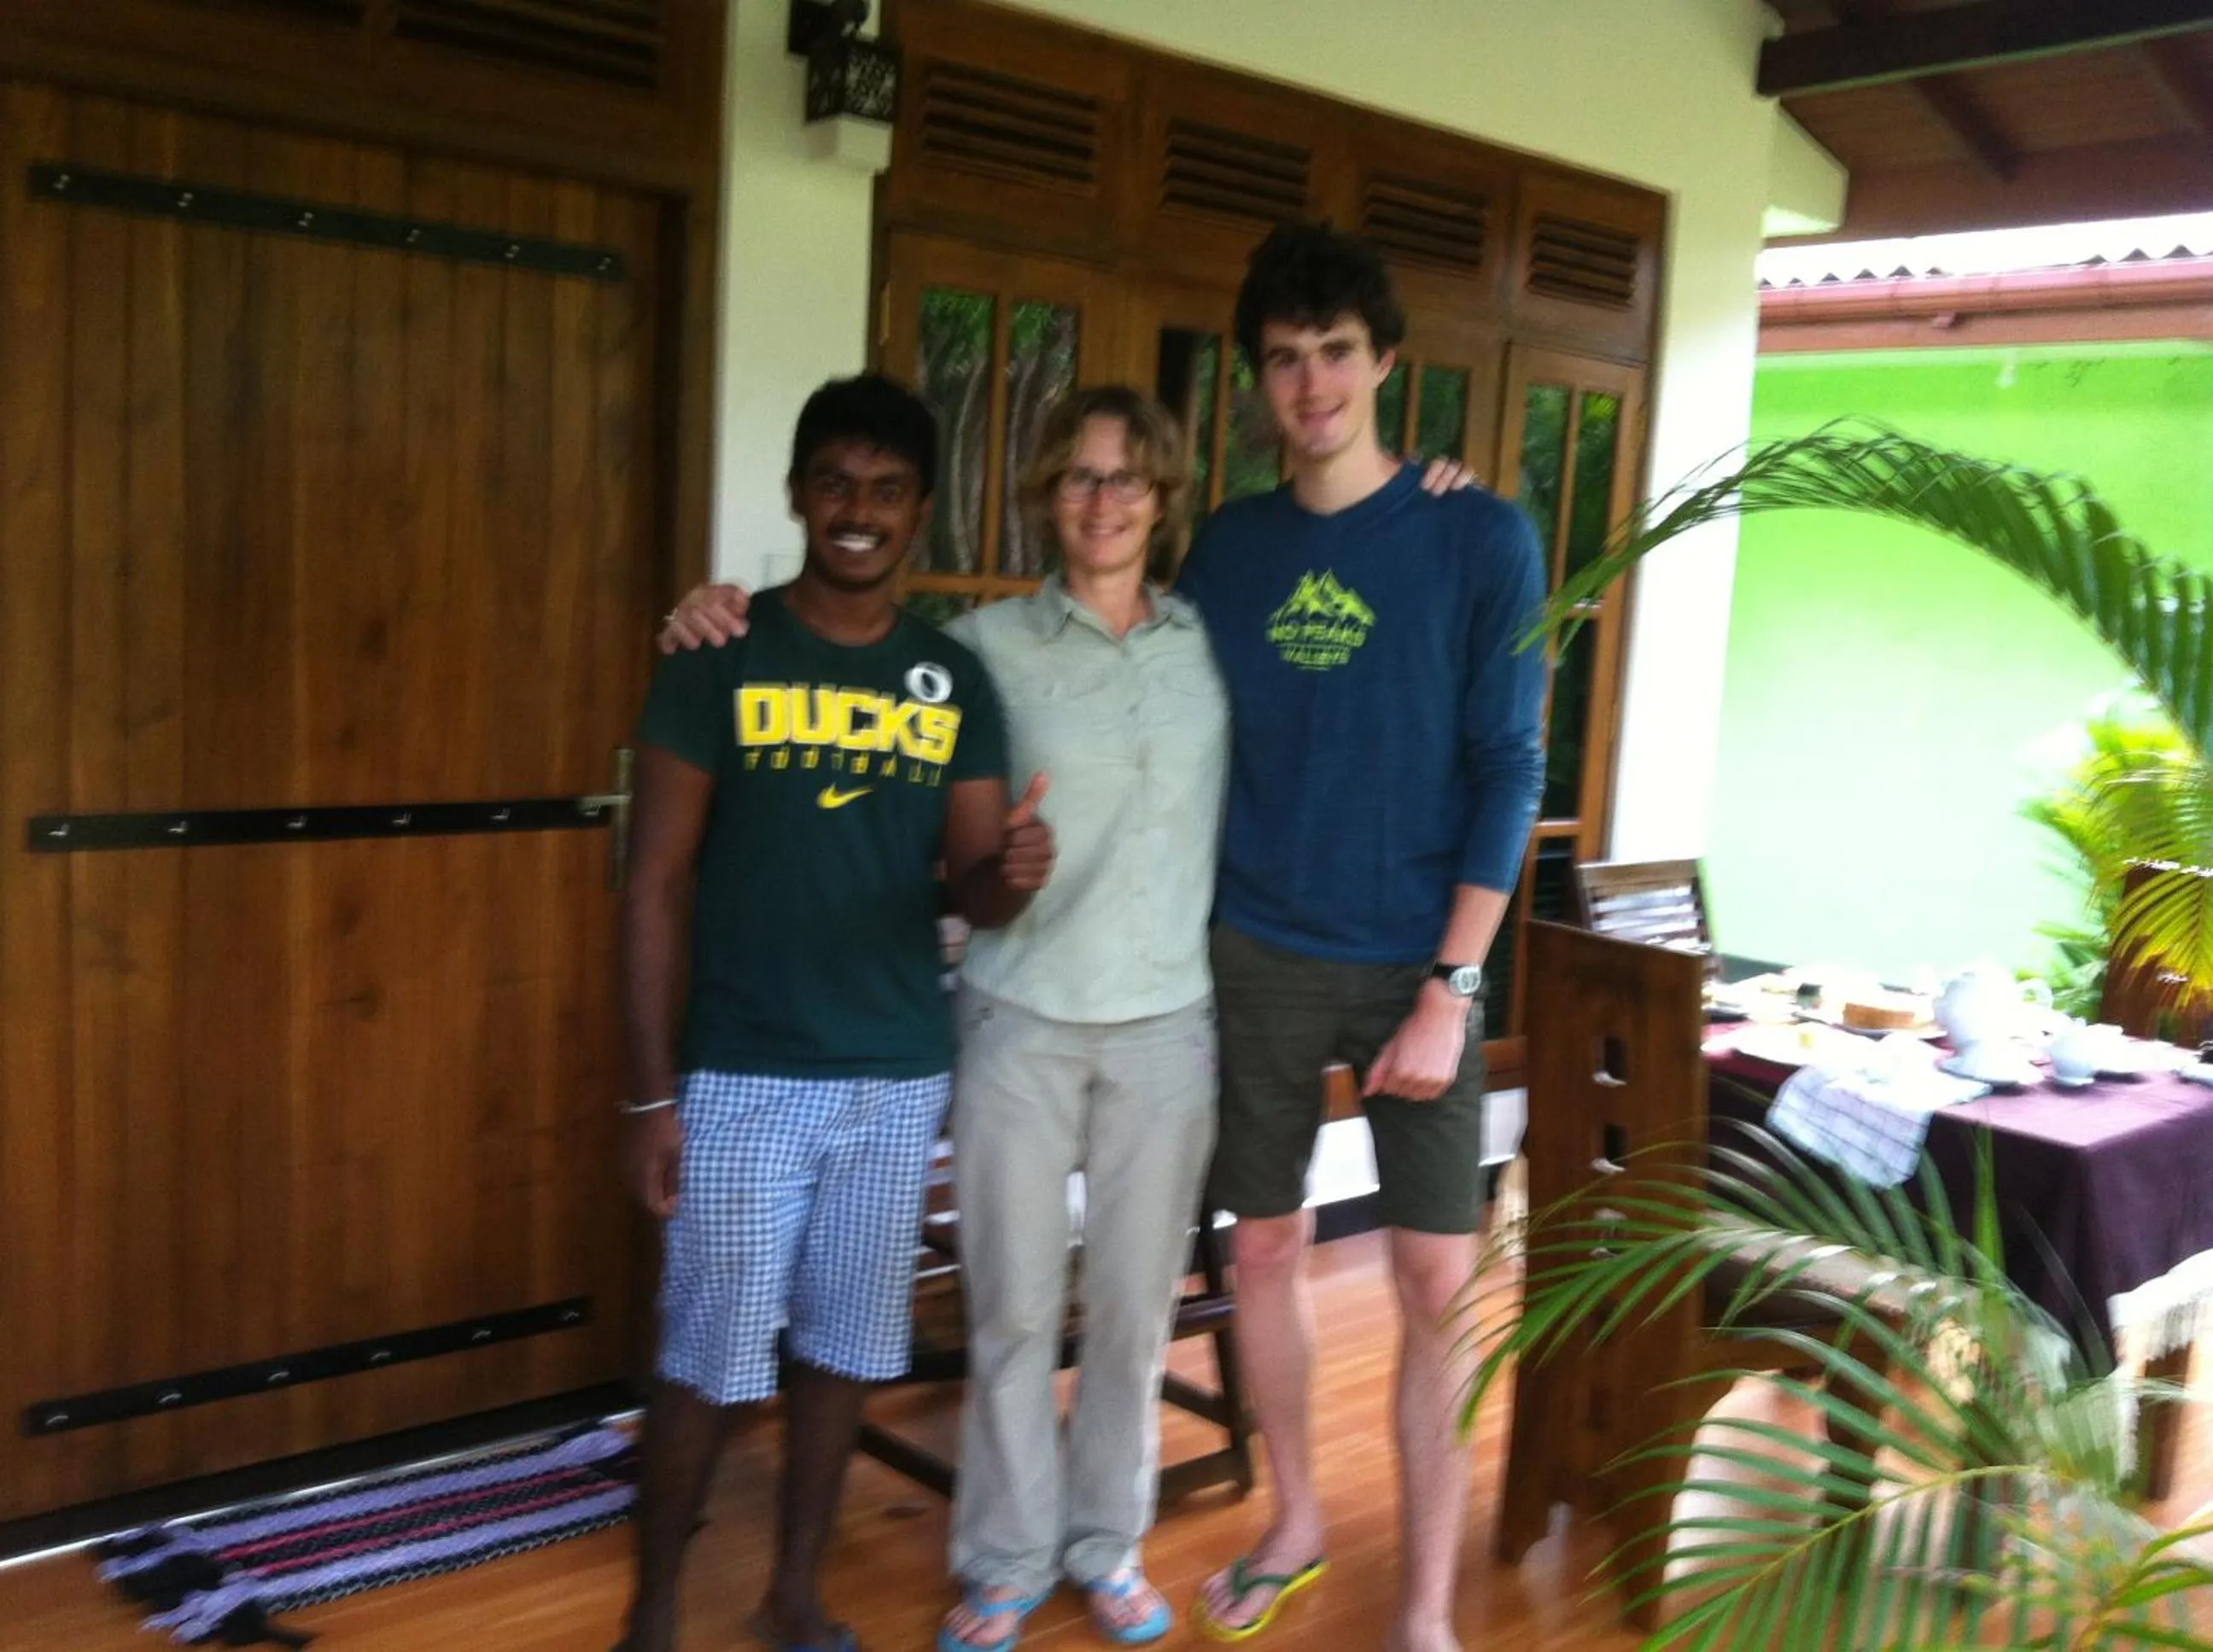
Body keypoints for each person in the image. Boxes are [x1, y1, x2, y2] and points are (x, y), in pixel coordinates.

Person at [665, 384, 1227, 1652]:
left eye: (1128, 478)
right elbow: (859, 673)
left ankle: (1108, 1542)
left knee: (1135, 1312)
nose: (1102, 500)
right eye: (1079, 477)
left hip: (1163, 1028)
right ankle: (1009, 1554)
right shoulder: (981, 652)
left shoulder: (1209, 643)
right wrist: (703, 609)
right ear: (1044, 496)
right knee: (1015, 1307)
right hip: (1020, 1015)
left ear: (1163, 496)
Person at [615, 373, 1054, 1652]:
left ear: (918, 511)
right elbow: (650, 886)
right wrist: (650, 1094)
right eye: (837, 484)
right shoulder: (721, 652)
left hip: (897, 1069)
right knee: (706, 1352)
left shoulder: (951, 679)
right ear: (800, 493)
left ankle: (792, 1592)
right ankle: (652, 1615)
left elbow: (975, 887)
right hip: (744, 1070)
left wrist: (1009, 874)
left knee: (845, 1347)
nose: (858, 511)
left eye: (887, 489)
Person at [1176, 220, 1544, 1652]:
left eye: (1337, 350)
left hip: (1418, 963)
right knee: (1262, 1251)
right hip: (1257, 948)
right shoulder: (1230, 547)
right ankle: (1297, 1523)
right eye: (1284, 358)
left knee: (1434, 1281)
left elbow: (1510, 765)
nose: (1312, 382)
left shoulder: (1479, 536)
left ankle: (1431, 1608)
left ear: (1387, 361)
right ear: (1259, 381)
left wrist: (1453, 985)